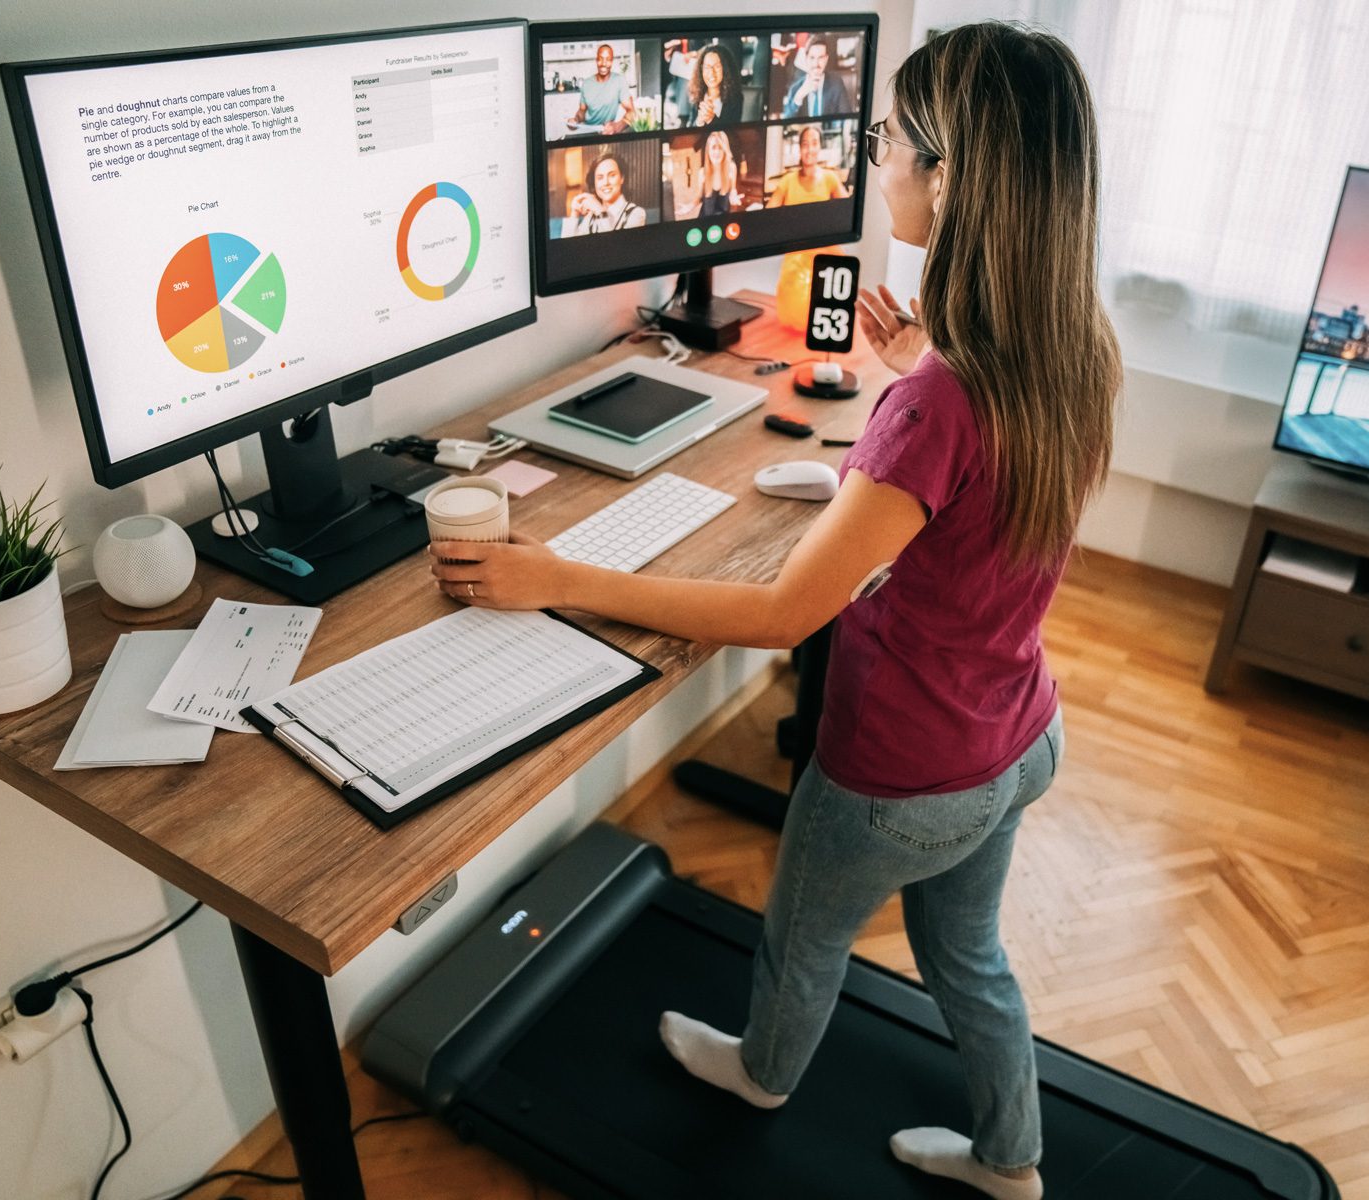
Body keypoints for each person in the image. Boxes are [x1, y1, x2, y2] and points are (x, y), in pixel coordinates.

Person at [432, 21, 1120, 1200]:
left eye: (892, 139)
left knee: (803, 941)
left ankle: (762, 1075)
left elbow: (784, 614)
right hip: (1018, 735)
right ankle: (1014, 1160)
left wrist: (559, 576)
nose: (876, 156)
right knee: (973, 960)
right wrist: (914, 377)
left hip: (902, 771)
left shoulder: (938, 407)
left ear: (951, 181)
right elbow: (976, 501)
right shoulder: (1071, 350)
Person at [560, 151, 645, 236]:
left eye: (612, 175)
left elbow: (617, 245)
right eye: (600, 178)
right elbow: (568, 247)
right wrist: (574, 213)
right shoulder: (591, 216)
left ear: (622, 178)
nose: (605, 183)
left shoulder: (636, 213)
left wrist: (600, 210)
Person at [767, 125, 848, 207]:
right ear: (800, 148)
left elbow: (847, 208)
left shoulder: (830, 178)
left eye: (814, 143)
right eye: (805, 144)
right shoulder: (787, 181)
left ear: (820, 146)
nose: (810, 150)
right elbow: (768, 213)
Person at [780, 36, 851, 118]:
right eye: (812, 58)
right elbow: (786, 122)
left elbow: (847, 117)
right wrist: (800, 96)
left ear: (826, 59)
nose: (816, 64)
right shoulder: (795, 89)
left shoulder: (836, 83)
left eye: (821, 58)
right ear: (806, 59)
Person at [571, 43, 634, 134]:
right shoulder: (586, 83)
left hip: (606, 131)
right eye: (600, 59)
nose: (603, 63)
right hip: (586, 131)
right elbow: (582, 111)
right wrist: (575, 120)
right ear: (596, 60)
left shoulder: (619, 80)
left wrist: (618, 126)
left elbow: (632, 112)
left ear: (612, 62)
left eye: (608, 60)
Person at [688, 42, 742, 129]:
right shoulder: (697, 95)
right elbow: (688, 130)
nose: (711, 73)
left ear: (725, 69)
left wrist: (711, 119)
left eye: (717, 67)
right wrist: (699, 121)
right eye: (707, 67)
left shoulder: (735, 98)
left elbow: (733, 134)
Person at [697, 130, 744, 218]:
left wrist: (733, 197)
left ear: (725, 150)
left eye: (720, 148)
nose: (717, 152)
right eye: (714, 148)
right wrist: (689, 206)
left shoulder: (731, 168)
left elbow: (733, 190)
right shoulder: (702, 172)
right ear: (708, 151)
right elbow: (698, 197)